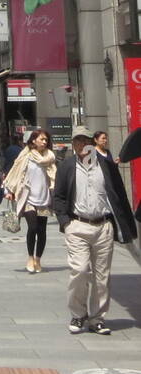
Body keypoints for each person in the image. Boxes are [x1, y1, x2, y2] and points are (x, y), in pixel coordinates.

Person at [52, 131, 137, 334]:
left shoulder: (106, 165)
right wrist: (65, 222)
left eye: (86, 145)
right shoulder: (67, 167)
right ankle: (78, 314)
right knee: (80, 271)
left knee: (102, 275)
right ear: (75, 148)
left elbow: (119, 194)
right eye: (79, 147)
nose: (84, 151)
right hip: (78, 225)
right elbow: (59, 196)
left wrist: (125, 225)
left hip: (103, 225)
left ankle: (97, 318)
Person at [2, 128, 58, 273]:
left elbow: (54, 176)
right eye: (41, 139)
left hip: (44, 198)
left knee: (42, 231)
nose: (44, 142)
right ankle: (30, 257)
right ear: (34, 140)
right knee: (32, 227)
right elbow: (15, 171)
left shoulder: (50, 157)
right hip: (28, 197)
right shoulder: (26, 155)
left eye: (46, 140)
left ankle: (38, 259)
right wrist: (9, 191)